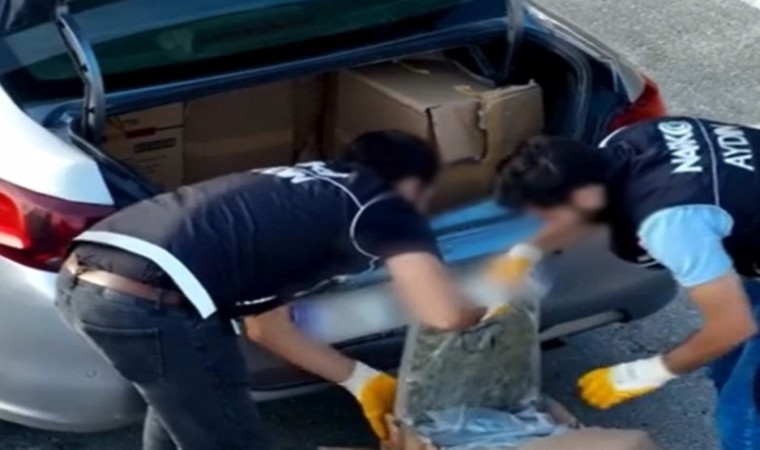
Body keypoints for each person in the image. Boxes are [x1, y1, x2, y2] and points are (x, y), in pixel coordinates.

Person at [55, 130, 492, 450]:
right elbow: (444, 314)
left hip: (87, 281)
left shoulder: (304, 194)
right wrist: (497, 307)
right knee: (230, 438)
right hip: (146, 299)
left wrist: (365, 383)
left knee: (187, 406)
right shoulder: (382, 202)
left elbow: (267, 328)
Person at [494, 117, 760, 450]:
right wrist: (526, 254)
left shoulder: (670, 224)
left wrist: (644, 374)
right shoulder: (626, 142)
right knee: (727, 368)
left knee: (742, 414)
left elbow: (730, 327)